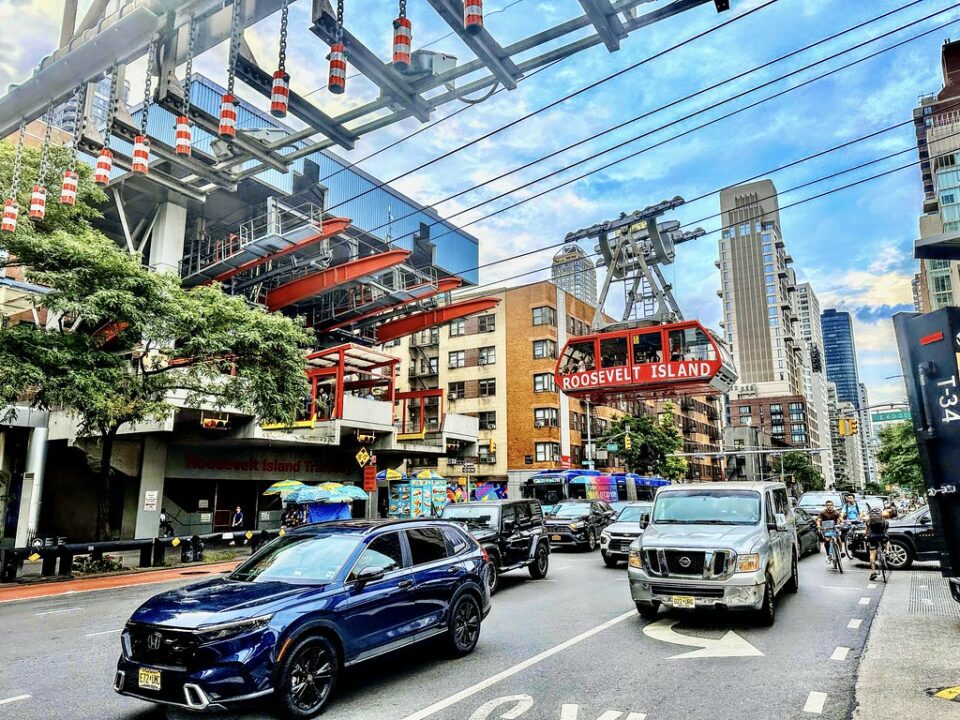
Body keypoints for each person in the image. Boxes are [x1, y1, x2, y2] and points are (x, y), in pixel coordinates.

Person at [866, 507, 890, 581]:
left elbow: (867, 531)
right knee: (887, 540)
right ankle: (887, 552)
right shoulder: (884, 520)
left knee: (872, 554)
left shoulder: (868, 521)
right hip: (882, 537)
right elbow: (886, 530)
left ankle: (873, 572)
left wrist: (866, 536)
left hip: (873, 538)